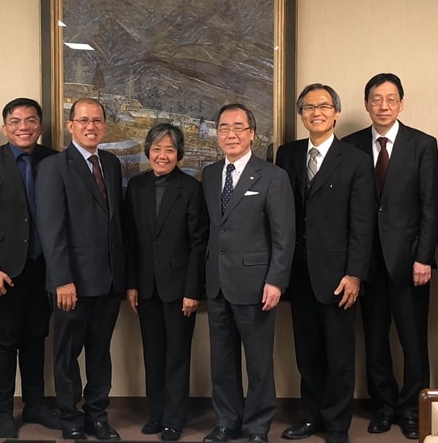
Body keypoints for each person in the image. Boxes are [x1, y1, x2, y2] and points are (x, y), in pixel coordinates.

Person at [343, 73, 438, 440]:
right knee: (374, 338)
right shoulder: (349, 146)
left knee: (413, 340)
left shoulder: (422, 145)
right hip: (366, 263)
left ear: (401, 103)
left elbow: (430, 207)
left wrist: (424, 257)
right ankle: (384, 405)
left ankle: (412, 408)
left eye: (390, 99)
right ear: (366, 104)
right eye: (376, 99)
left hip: (409, 262)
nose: (383, 106)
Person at [275, 84, 375, 443]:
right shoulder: (286, 155)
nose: (316, 112)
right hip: (298, 274)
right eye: (308, 107)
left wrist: (355, 274)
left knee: (339, 356)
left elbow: (362, 223)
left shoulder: (355, 160)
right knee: (308, 353)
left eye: (324, 106)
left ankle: (336, 425)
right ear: (301, 115)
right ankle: (311, 417)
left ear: (335, 113)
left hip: (338, 275)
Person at [201, 103, 295, 443]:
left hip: (256, 285)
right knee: (221, 362)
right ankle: (226, 421)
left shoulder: (272, 176)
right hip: (217, 284)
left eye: (239, 127)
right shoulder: (211, 175)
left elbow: (283, 235)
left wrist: (276, 280)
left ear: (252, 133)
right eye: (224, 127)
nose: (231, 134)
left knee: (258, 363)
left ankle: (257, 426)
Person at [0, 97, 61, 438]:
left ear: (40, 125)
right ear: (6, 126)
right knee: (7, 341)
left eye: (31, 120)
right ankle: (4, 413)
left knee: (38, 337)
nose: (24, 127)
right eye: (16, 121)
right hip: (6, 270)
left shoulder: (53, 160)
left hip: (45, 267)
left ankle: (36, 404)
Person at [37, 98, 125, 441]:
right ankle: (71, 417)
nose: (91, 126)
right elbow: (52, 230)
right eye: (84, 120)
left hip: (109, 280)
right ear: (70, 125)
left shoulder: (112, 164)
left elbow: (115, 225)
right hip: (70, 283)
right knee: (66, 355)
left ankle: (97, 416)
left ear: (104, 126)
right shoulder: (55, 167)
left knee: (101, 353)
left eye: (97, 121)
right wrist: (62, 280)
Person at [123, 123, 208, 442]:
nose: (162, 155)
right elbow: (130, 240)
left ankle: (174, 419)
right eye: (157, 149)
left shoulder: (190, 188)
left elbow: (199, 243)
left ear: (179, 155)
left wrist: (192, 290)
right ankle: (156, 414)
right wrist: (131, 284)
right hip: (145, 287)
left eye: (169, 150)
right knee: (153, 354)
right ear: (148, 152)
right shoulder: (136, 187)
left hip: (179, 287)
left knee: (177, 356)